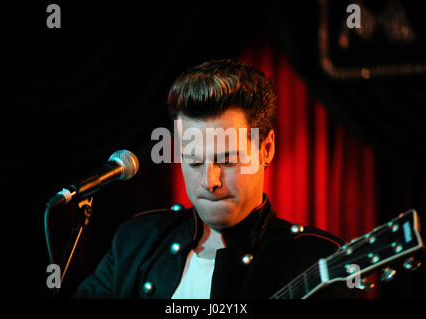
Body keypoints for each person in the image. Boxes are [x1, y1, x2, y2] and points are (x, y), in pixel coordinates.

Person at [74, 59, 357, 299]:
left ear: (266, 150)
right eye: (194, 161)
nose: (209, 181)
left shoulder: (316, 259)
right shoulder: (135, 241)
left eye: (227, 160)